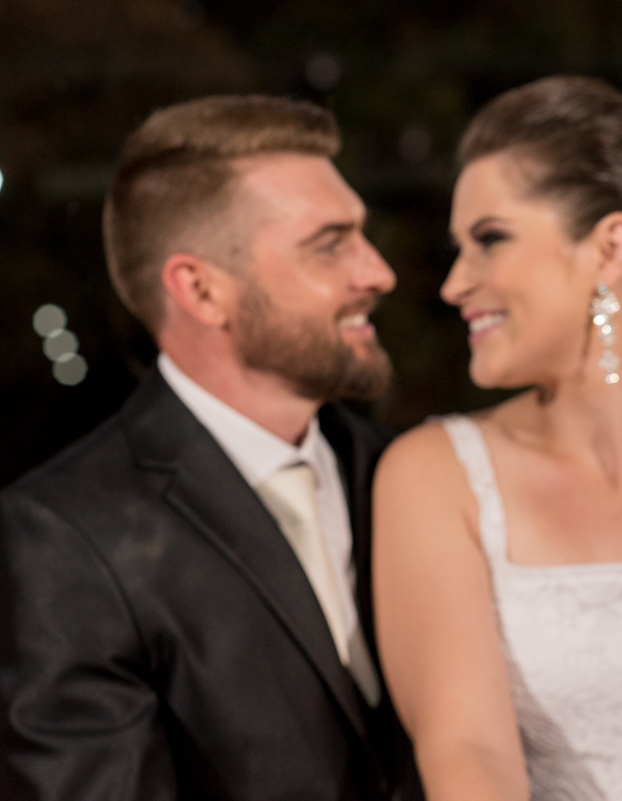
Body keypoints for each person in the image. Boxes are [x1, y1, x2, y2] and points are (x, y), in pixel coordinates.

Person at [371, 77, 622, 801]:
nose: (454, 284)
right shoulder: (434, 476)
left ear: (609, 246)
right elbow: (469, 754)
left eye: (490, 239)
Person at [0, 96, 422, 801]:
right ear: (200, 290)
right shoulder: (66, 537)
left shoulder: (407, 474)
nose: (378, 273)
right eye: (330, 244)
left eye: (363, 235)